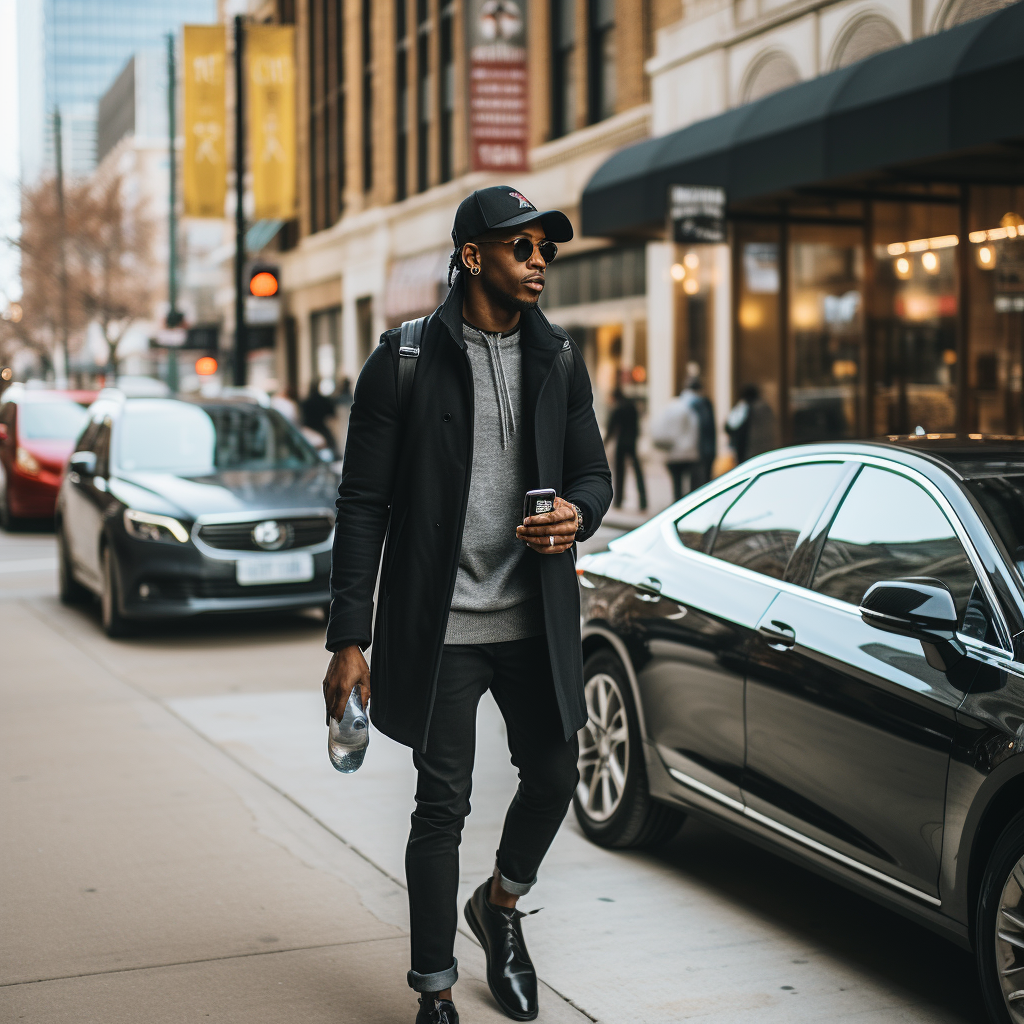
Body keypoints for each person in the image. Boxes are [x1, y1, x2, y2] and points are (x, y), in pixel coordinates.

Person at [322, 186, 612, 1024]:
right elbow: (362, 505)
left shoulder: (559, 357)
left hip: (533, 619)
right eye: (522, 247)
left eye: (545, 250)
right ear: (472, 254)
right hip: (442, 626)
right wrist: (351, 638)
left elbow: (594, 474)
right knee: (441, 805)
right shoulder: (403, 360)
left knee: (556, 773)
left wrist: (579, 514)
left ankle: (502, 906)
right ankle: (435, 994)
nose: (539, 262)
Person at [652, 376, 702, 502]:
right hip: (687, 454)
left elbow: (659, 427)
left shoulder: (669, 408)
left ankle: (677, 503)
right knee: (688, 484)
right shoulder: (690, 409)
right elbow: (695, 431)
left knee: (676, 484)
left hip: (672, 453)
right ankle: (683, 506)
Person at [606, 386, 646, 511]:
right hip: (632, 442)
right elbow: (637, 426)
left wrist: (603, 445)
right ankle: (643, 501)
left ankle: (618, 501)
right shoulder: (632, 407)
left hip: (622, 442)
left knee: (620, 472)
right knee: (638, 472)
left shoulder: (617, 409)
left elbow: (611, 430)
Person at [726, 383, 778, 463]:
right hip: (766, 449)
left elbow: (730, 426)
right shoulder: (765, 407)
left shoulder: (746, 407)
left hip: (750, 449)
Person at [301, 380, 337, 452]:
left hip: (308, 428)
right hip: (320, 427)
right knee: (331, 446)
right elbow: (332, 414)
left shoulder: (306, 402)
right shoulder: (323, 400)